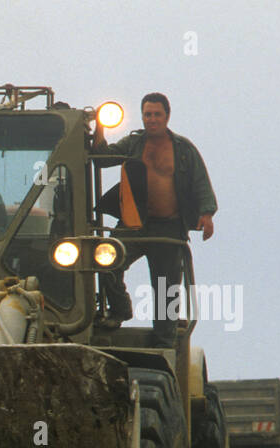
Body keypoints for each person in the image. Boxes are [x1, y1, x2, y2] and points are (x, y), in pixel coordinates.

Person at [93, 93, 217, 347]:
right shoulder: (134, 143)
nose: (152, 119)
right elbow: (103, 159)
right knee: (105, 260)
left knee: (166, 287)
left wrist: (207, 214)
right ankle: (120, 310)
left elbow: (200, 181)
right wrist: (100, 128)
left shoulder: (183, 150)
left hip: (169, 227)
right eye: (147, 114)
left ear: (167, 116)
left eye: (157, 114)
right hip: (134, 223)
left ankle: (165, 340)